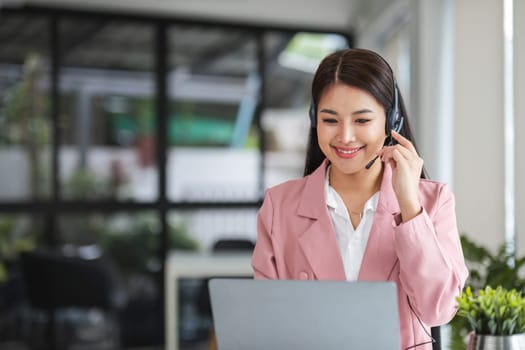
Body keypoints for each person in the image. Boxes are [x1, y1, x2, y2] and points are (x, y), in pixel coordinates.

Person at [251, 48, 468, 350]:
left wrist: (409, 206)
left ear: (391, 121)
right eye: (331, 120)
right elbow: (266, 323)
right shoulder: (280, 206)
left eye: (362, 120)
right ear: (315, 120)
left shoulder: (432, 201)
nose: (345, 136)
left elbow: (440, 310)